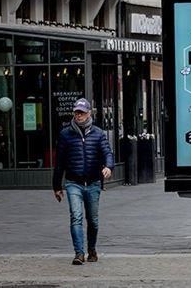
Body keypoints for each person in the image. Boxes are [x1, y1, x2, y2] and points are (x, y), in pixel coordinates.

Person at [52, 98, 114, 265]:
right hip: (74, 182)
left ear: (89, 114)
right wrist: (57, 186)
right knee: (76, 217)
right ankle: (79, 253)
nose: (78, 115)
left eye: (82, 112)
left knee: (92, 220)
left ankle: (91, 249)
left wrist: (108, 166)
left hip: (93, 182)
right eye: (76, 112)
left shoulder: (98, 133)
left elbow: (107, 152)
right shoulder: (65, 134)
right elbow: (59, 163)